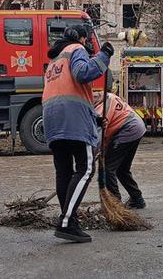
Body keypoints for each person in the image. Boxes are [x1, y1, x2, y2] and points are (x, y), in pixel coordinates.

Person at [42, 25, 114, 243]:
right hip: (72, 118)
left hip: (52, 118)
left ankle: (69, 220)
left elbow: (67, 90)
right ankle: (66, 221)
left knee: (63, 171)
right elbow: (84, 74)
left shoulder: (54, 61)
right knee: (85, 167)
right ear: (82, 38)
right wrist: (104, 54)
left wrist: (93, 116)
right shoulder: (77, 49)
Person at [93, 92, 146, 209]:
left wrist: (90, 158)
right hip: (137, 127)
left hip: (127, 129)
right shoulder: (109, 96)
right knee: (122, 169)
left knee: (108, 168)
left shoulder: (100, 109)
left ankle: (116, 204)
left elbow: (98, 135)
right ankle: (137, 199)